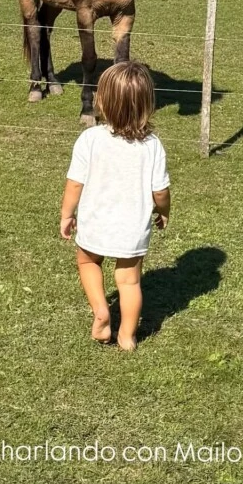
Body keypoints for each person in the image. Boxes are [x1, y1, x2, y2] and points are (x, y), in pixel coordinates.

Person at [60, 60, 171, 351]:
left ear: (103, 101)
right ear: (147, 104)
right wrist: (164, 211)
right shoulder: (152, 145)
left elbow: (74, 183)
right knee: (130, 281)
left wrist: (67, 214)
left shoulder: (90, 139)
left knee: (87, 261)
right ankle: (127, 336)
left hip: (96, 222)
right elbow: (160, 191)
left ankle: (101, 311)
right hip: (132, 228)